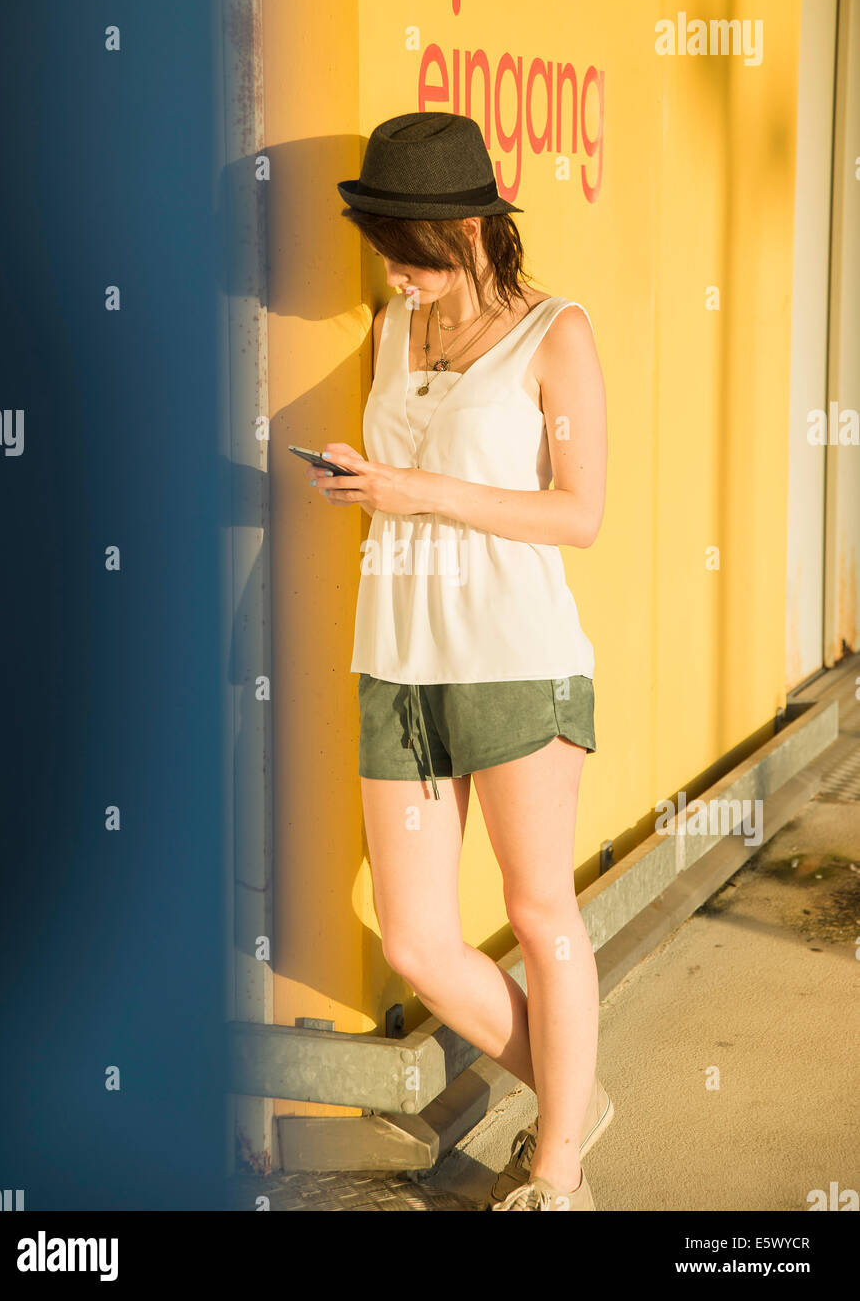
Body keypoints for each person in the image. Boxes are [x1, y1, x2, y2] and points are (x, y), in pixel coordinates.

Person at [308, 111, 610, 1211]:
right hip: (395, 657)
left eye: (408, 246)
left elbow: (578, 515)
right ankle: (571, 1094)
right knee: (418, 938)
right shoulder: (398, 325)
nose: (392, 268)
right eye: (380, 243)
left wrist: (416, 490)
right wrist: (361, 475)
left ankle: (556, 1170)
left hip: (514, 658)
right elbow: (408, 464)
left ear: (471, 228)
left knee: (537, 911)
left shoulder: (555, 334)